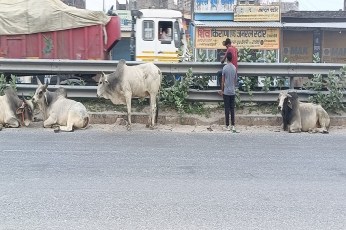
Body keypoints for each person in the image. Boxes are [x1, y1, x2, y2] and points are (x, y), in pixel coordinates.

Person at [218, 52, 237, 133]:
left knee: (227, 108)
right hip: (232, 91)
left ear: (226, 59)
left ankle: (227, 125)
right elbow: (235, 80)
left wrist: (222, 90)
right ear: (232, 58)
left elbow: (222, 81)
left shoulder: (225, 68)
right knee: (232, 108)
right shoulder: (234, 68)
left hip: (226, 91)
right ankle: (233, 125)